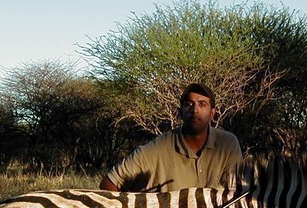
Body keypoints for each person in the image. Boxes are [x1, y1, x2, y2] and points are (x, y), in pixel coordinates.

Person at [99, 82, 242, 192]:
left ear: (212, 113)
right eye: (189, 104)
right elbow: (108, 184)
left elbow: (236, 194)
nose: (195, 110)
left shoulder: (228, 144)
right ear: (180, 112)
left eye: (202, 104)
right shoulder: (157, 148)